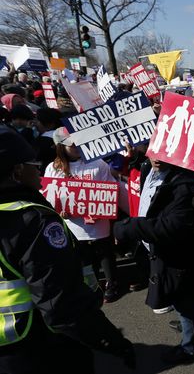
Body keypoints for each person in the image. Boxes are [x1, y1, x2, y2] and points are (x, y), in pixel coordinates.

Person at [0, 127, 134, 374]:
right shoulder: (33, 221)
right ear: (17, 170)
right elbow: (61, 304)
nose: (38, 168)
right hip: (40, 344)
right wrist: (112, 342)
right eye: (32, 163)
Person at [113, 158, 194, 365]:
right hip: (159, 251)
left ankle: (191, 346)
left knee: (185, 297)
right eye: (152, 149)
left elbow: (169, 227)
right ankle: (188, 326)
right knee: (179, 298)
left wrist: (128, 227)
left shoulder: (185, 183)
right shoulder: (147, 168)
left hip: (179, 255)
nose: (157, 157)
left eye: (163, 150)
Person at [44, 127, 120, 303]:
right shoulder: (53, 168)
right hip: (73, 225)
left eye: (80, 142)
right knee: (84, 258)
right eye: (72, 145)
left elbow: (111, 187)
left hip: (99, 222)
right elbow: (49, 196)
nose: (77, 146)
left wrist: (103, 207)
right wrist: (58, 210)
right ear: (61, 146)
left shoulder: (98, 164)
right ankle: (94, 286)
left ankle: (112, 284)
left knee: (105, 254)